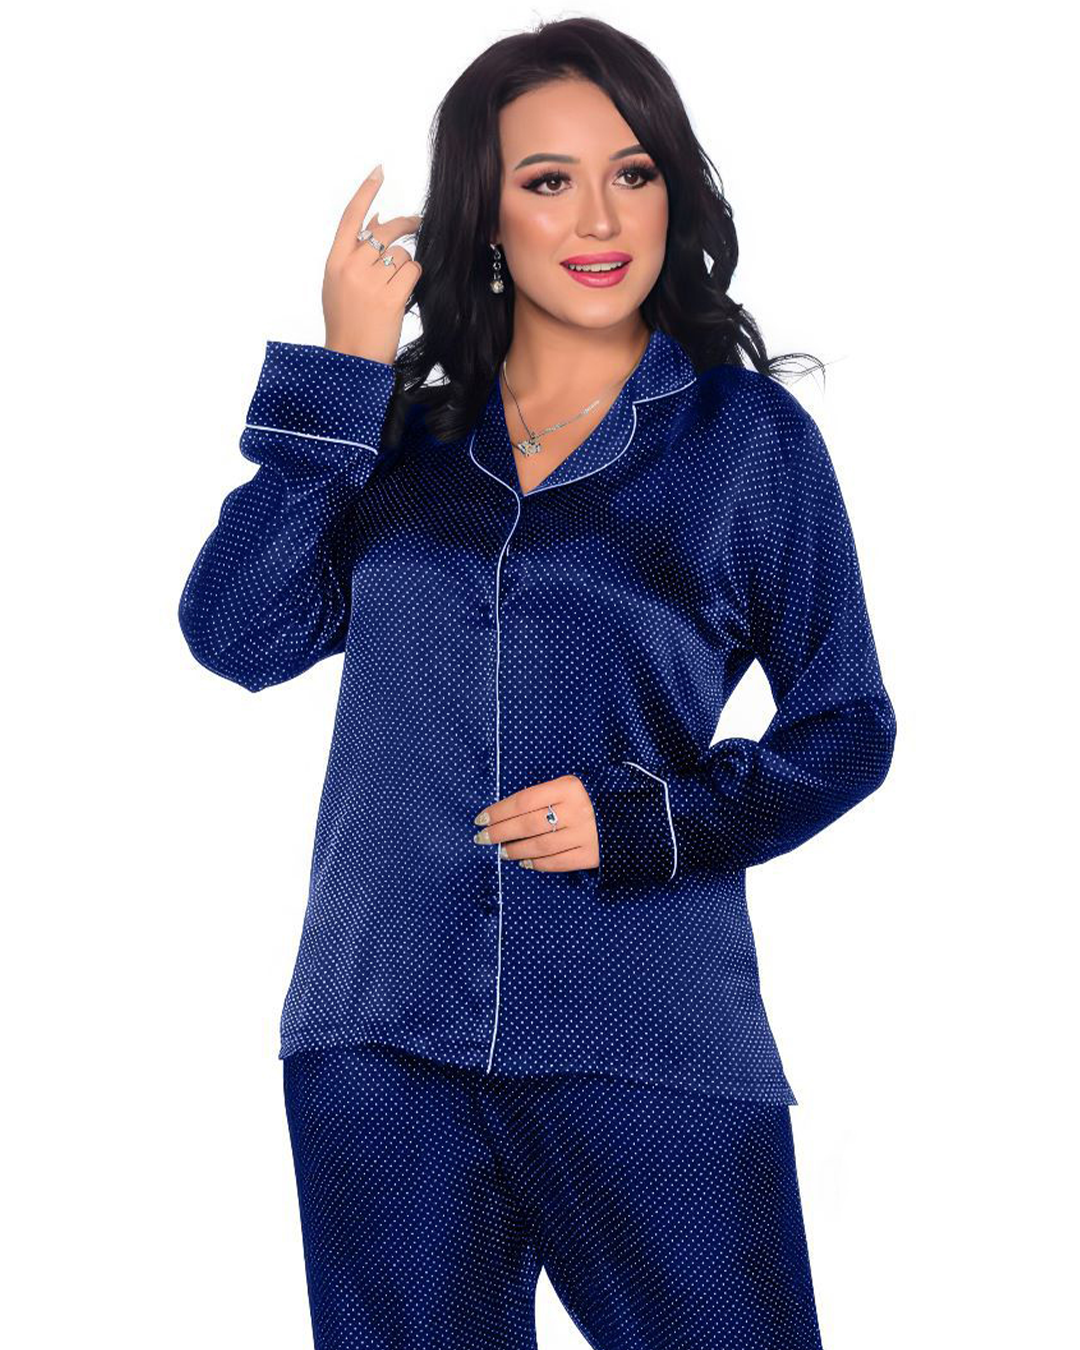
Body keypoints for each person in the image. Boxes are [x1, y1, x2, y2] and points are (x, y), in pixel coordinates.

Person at [178, 17, 896, 1349]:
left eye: (633, 172)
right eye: (548, 181)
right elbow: (239, 633)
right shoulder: (406, 441)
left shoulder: (747, 442)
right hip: (379, 1033)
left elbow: (847, 725)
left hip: (641, 1031)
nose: (600, 219)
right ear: (486, 216)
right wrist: (343, 375)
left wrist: (645, 820)